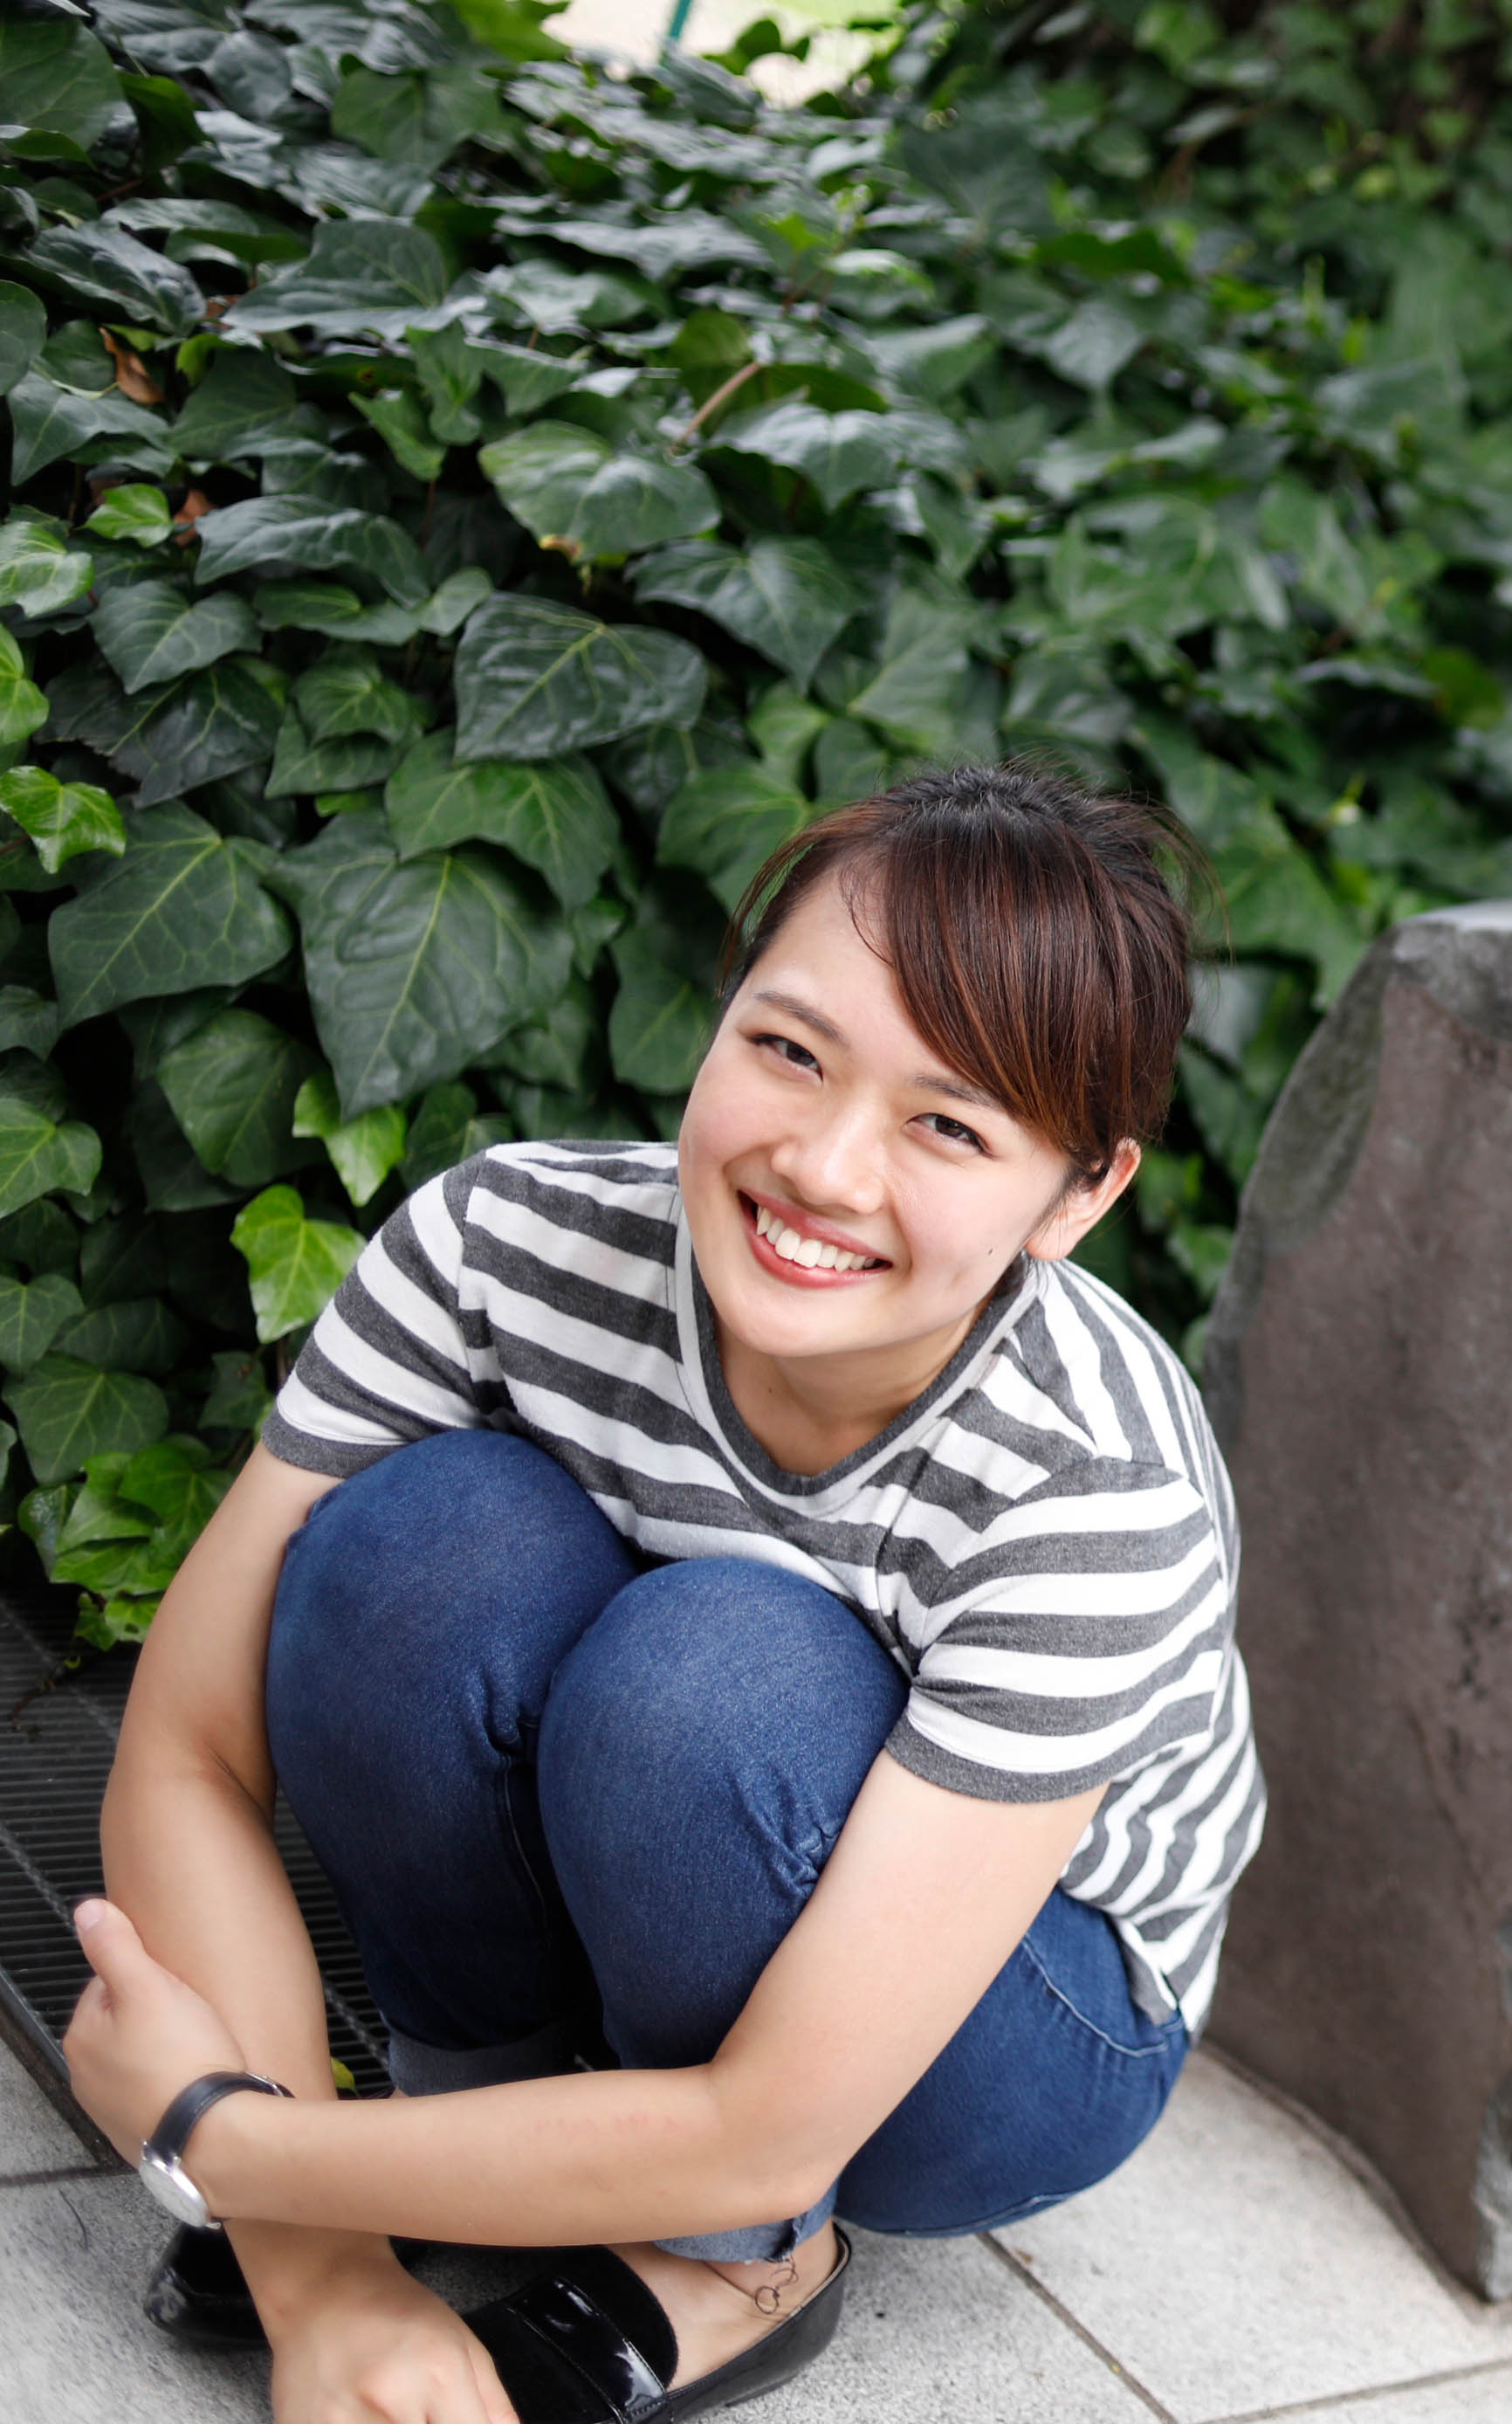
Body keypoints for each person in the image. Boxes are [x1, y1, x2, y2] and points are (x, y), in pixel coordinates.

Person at [63, 763, 1267, 2424]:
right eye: (789, 1049)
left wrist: (223, 2137)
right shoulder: (501, 1246)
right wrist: (320, 2274)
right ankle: (459, 2116)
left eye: (950, 1125)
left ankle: (739, 2264)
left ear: (1080, 1196)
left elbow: (781, 2109)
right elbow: (186, 1748)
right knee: (420, 1545)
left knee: (709, 1673)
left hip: (1004, 2032)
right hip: (638, 1859)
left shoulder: (1089, 1485)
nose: (828, 1169)